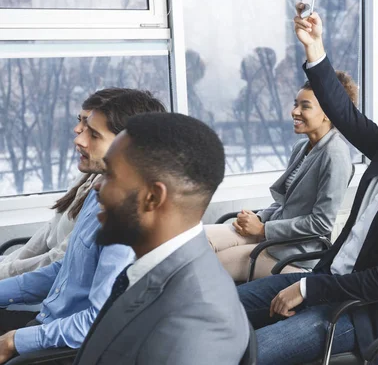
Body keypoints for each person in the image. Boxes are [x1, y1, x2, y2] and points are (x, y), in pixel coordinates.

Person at [235, 4, 378, 365]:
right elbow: (343, 112)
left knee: (250, 353)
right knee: (222, 310)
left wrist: (306, 288)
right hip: (325, 282)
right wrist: (314, 48)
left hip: (362, 314)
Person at [0, 88, 166, 363]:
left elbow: (98, 322)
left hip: (65, 349)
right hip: (45, 326)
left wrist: (14, 341)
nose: (78, 137)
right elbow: (62, 272)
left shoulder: (129, 221)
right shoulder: (98, 191)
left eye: (93, 133)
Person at [74, 113, 250, 365]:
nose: (96, 186)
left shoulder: (196, 323)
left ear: (153, 198)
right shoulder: (149, 268)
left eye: (110, 175)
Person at [204, 72, 357, 281]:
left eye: (305, 106)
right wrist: (257, 219)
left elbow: (322, 223)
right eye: (296, 104)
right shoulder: (302, 147)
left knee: (208, 266)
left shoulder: (335, 154)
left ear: (328, 113)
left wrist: (264, 229)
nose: (295, 111)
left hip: (293, 253)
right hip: (269, 237)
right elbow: (285, 202)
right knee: (197, 242)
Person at [0, 96, 108, 280]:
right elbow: (50, 229)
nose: (77, 131)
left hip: (45, 282)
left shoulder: (108, 195)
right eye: (80, 121)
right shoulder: (88, 174)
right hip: (38, 280)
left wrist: (5, 272)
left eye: (91, 129)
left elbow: (59, 262)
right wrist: (5, 264)